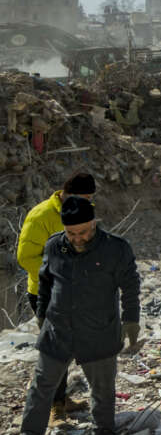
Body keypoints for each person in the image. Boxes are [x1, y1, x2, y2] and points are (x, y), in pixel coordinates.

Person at [13, 197, 140, 435]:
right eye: (71, 233)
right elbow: (45, 282)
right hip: (58, 330)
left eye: (83, 232)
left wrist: (131, 319)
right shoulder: (54, 246)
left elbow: (130, 285)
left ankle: (104, 433)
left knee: (103, 387)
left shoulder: (116, 249)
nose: (77, 238)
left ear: (94, 223)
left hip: (99, 330)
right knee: (42, 386)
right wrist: (41, 313)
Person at [16, 171, 98, 418]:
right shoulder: (41, 216)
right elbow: (25, 257)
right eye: (84, 198)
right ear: (67, 194)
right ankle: (53, 410)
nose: (87, 203)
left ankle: (61, 400)